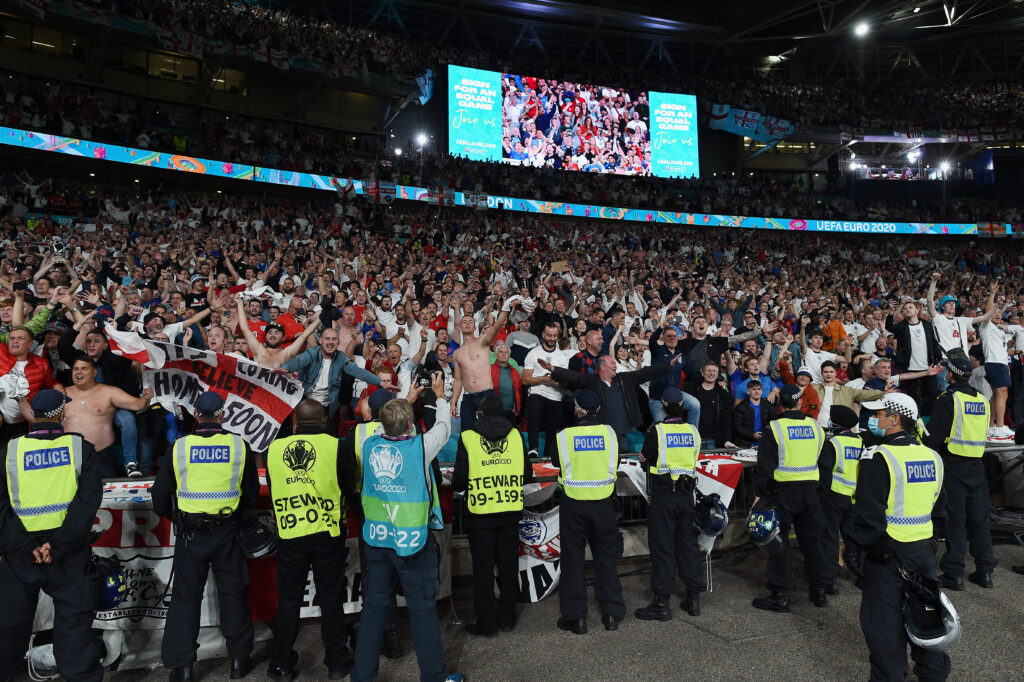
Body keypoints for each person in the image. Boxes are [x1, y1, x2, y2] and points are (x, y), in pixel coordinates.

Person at [352, 373, 464, 682]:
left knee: (373, 611)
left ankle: (362, 678)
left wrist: (406, 398)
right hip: (412, 544)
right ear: (411, 426)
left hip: (376, 542)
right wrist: (440, 396)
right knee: (422, 611)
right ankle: (434, 676)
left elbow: (383, 419)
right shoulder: (419, 448)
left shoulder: (368, 442)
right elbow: (444, 426)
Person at [151, 391, 259, 681]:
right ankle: (238, 661)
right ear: (222, 415)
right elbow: (250, 493)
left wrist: (175, 517)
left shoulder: (179, 447)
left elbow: (159, 495)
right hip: (228, 531)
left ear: (196, 415)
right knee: (233, 594)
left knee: (186, 599)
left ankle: (183, 668)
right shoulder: (239, 445)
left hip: (190, 533)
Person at [842, 392, 949, 681]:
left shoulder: (880, 457)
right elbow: (940, 511)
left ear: (895, 419)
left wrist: (855, 551)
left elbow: (867, 514)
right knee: (925, 616)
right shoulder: (932, 456)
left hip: (886, 556)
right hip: (923, 552)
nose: (873, 420)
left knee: (884, 627)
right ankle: (933, 673)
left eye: (878, 415)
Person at [0, 390, 103, 682]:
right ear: (61, 414)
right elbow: (87, 504)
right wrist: (56, 546)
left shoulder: (10, 451)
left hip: (21, 558)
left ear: (35, 416)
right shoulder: (82, 449)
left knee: (8, 627)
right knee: (75, 628)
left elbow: (1, 507)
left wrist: (25, 546)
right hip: (67, 555)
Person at [266, 399, 354, 681]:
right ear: (325, 419)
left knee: (289, 600)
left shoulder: (274, 449)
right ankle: (338, 662)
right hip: (328, 532)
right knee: (330, 597)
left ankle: (281, 664)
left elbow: (272, 484)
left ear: (294, 422)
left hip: (290, 533)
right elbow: (349, 486)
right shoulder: (337, 445)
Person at [452, 396, 531, 637]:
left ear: (481, 413)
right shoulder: (516, 435)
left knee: (483, 571)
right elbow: (527, 475)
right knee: (509, 568)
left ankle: (486, 623)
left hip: (481, 514)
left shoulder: (467, 437)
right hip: (509, 511)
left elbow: (459, 481)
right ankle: (507, 619)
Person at [922, 348, 996, 590]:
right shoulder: (981, 400)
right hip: (977, 464)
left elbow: (934, 438)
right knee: (979, 519)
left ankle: (954, 572)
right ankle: (985, 570)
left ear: (951, 375)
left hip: (953, 465)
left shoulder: (949, 399)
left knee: (956, 519)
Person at [751, 383, 829, 612]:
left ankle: (780, 595)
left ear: (780, 403)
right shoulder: (816, 427)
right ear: (799, 401)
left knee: (779, 544)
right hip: (810, 493)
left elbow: (764, 468)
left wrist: (760, 496)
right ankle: (819, 591)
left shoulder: (774, 429)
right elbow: (825, 463)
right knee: (814, 544)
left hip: (781, 494)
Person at [554, 389, 624, 634]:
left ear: (576, 409)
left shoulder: (564, 436)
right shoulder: (609, 433)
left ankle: (576, 618)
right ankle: (612, 614)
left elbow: (556, 462)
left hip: (574, 504)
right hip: (604, 502)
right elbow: (613, 463)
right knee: (606, 559)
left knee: (572, 561)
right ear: (597, 410)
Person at [634, 388, 704, 620]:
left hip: (664, 496)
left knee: (663, 548)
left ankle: (662, 603)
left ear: (663, 407)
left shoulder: (658, 431)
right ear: (683, 406)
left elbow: (644, 457)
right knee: (688, 547)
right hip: (686, 497)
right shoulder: (693, 431)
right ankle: (693, 599)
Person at [539, 354, 677, 450]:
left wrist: (667, 365)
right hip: (603, 436)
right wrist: (552, 369)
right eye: (612, 363)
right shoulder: (592, 381)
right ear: (602, 367)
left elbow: (645, 373)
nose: (615, 366)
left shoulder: (624, 379)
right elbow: (573, 376)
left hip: (623, 436)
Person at [62, 355, 155, 478]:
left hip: (100, 458)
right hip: (68, 458)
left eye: (84, 368)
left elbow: (138, 405)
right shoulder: (62, 393)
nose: (79, 372)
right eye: (76, 369)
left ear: (94, 372)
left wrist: (146, 398)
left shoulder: (109, 392)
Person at [451, 295, 522, 430]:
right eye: (464, 321)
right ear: (460, 326)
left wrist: (506, 307)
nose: (467, 323)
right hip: (468, 398)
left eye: (470, 321)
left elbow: (497, 326)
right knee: (467, 432)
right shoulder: (457, 353)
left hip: (486, 395)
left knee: (491, 431)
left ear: (475, 326)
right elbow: (458, 380)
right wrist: (454, 402)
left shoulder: (483, 342)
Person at [817, 405, 862, 594]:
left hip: (834, 495)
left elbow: (825, 473)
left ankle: (830, 581)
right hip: (855, 497)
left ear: (834, 423)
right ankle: (861, 573)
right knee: (854, 537)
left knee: (830, 537)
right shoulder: (861, 442)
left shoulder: (833, 443)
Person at [522, 321, 567, 461]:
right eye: (549, 335)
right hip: (537, 392)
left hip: (555, 396)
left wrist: (557, 380)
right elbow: (525, 380)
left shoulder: (562, 357)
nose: (552, 339)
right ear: (542, 335)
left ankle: (548, 455)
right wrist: (543, 378)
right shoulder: (533, 353)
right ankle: (533, 448)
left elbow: (565, 384)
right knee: (534, 408)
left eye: (554, 336)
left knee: (552, 428)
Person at [236, 298, 321, 368]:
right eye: (269, 332)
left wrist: (321, 317)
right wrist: (239, 303)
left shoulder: (286, 354)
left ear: (282, 337)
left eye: (276, 332)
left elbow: (305, 335)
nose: (273, 335)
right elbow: (244, 328)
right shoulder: (259, 350)